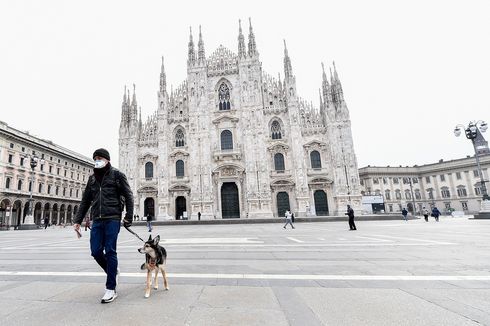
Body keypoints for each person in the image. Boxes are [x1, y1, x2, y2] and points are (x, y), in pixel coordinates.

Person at [73, 148, 133, 304]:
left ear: (107, 160)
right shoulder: (92, 179)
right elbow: (85, 201)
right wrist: (77, 220)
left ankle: (110, 288)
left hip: (113, 217)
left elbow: (128, 195)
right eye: (95, 159)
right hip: (97, 219)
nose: (97, 161)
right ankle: (112, 271)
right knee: (95, 251)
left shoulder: (117, 175)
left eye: (99, 158)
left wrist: (128, 216)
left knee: (110, 250)